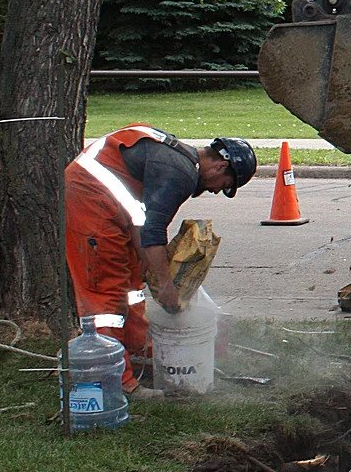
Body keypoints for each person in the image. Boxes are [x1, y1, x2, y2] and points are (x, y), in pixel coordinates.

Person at [63, 127, 256, 393]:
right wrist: (165, 285)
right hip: (90, 200)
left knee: (132, 285)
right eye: (223, 186)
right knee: (106, 294)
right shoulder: (180, 174)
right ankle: (117, 381)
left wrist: (147, 265)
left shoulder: (177, 156)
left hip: (109, 202)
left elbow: (139, 215)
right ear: (220, 167)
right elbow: (154, 231)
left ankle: (138, 351)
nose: (215, 191)